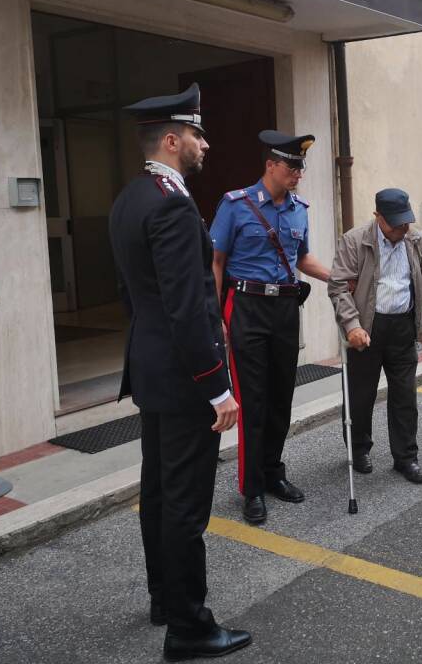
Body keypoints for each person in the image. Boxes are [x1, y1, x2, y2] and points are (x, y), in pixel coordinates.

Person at [110, 83, 251, 660]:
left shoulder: (129, 198)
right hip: (183, 379)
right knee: (186, 504)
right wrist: (217, 387)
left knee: (160, 494)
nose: (204, 143)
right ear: (171, 141)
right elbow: (187, 306)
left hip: (152, 373)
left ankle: (165, 598)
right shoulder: (170, 203)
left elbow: (134, 295)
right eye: (196, 134)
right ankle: (189, 628)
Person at [210, 130, 331, 525]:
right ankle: (252, 487)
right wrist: (215, 317)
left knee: (281, 398)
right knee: (253, 401)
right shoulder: (236, 205)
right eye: (292, 166)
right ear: (270, 166)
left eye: (301, 167)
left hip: (284, 310)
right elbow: (216, 262)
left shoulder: (299, 209)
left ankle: (274, 472)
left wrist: (339, 276)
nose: (298, 173)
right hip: (245, 307)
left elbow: (303, 259)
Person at [328, 188, 422, 483]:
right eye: (395, 223)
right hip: (366, 326)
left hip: (402, 326)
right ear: (377, 217)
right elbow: (338, 287)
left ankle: (406, 457)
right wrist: (352, 325)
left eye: (405, 222)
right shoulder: (355, 241)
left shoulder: (415, 240)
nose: (402, 229)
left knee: (404, 395)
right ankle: (359, 449)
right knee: (361, 395)